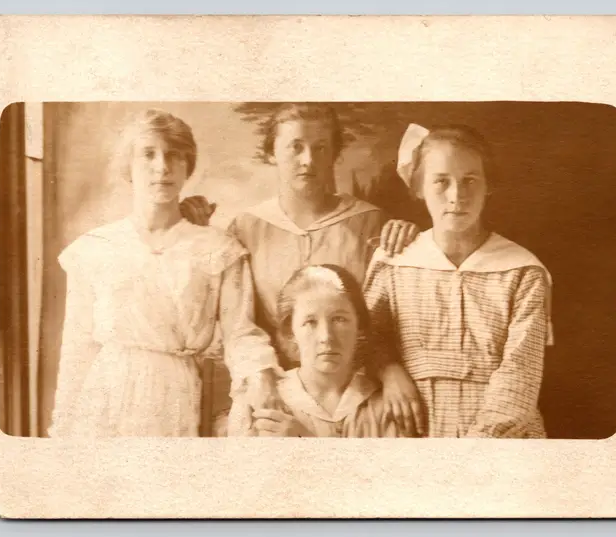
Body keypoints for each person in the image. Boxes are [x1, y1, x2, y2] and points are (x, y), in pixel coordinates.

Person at [182, 103, 425, 436]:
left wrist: (390, 370)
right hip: (273, 395)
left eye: (321, 147)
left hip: (354, 398)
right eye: (295, 147)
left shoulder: (371, 223)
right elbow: (236, 322)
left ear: (336, 153)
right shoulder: (246, 228)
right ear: (272, 153)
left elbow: (387, 318)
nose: (308, 159)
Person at [48, 108, 282, 438]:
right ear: (128, 166)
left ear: (188, 166)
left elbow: (240, 333)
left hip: (175, 395)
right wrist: (63, 426)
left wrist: (261, 377)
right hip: (104, 396)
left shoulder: (219, 249)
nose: (162, 166)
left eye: (174, 155)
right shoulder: (96, 248)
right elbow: (78, 346)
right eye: (148, 154)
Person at [362, 123, 554, 438]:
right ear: (418, 187)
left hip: (501, 436)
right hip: (413, 429)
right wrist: (389, 371)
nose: (457, 196)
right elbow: (365, 337)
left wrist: (476, 445)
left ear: (488, 185)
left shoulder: (522, 272)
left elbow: (520, 374)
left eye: (470, 181)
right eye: (441, 181)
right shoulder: (394, 263)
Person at [236, 264, 408, 438]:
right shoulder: (264, 403)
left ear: (360, 327)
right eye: (310, 322)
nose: (326, 336)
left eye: (339, 319)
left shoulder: (388, 406)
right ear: (291, 332)